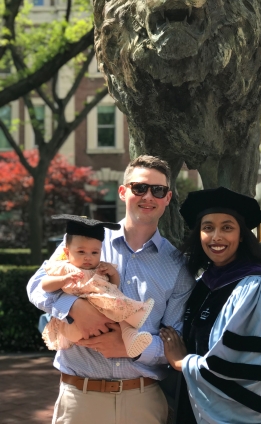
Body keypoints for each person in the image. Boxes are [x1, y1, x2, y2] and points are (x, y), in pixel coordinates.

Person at [27, 155, 194, 424]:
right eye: (139, 187)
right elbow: (36, 286)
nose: (147, 196)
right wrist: (74, 309)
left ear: (167, 198)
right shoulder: (87, 240)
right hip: (80, 397)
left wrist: (131, 347)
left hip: (142, 400)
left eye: (157, 190)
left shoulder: (177, 266)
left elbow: (176, 340)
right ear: (123, 191)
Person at [159, 187, 261, 424]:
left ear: (241, 235)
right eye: (208, 228)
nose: (216, 237)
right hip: (197, 405)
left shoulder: (256, 288)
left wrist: (182, 363)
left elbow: (246, 368)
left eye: (227, 227)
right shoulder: (203, 284)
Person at [41, 215, 155, 358]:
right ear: (66, 252)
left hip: (103, 311)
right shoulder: (63, 267)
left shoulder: (100, 268)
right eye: (81, 252)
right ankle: (136, 315)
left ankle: (131, 339)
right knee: (117, 311)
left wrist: (113, 273)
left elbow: (113, 287)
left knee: (121, 314)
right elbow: (44, 285)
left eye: (94, 252)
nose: (88, 257)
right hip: (74, 324)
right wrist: (64, 280)